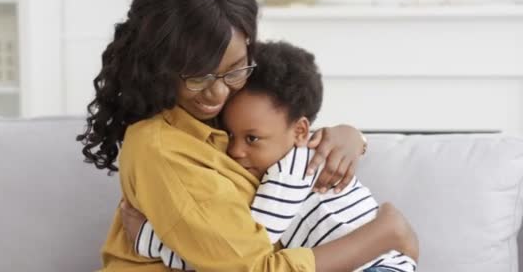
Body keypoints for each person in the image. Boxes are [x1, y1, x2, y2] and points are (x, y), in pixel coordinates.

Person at [77, 0, 418, 272]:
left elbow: (286, 133)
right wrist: (385, 233)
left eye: (235, 69)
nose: (218, 94)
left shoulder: (229, 104)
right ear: (161, 64)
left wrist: (349, 137)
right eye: (198, 76)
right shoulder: (163, 148)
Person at [121, 41, 418, 272]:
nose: (236, 151)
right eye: (230, 135)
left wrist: (149, 241)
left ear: (301, 130)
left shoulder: (289, 172)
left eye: (252, 138)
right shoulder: (297, 151)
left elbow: (238, 254)